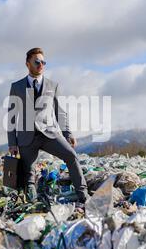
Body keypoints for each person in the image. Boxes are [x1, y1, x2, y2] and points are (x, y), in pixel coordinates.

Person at [7, 47, 89, 204]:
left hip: (49, 134)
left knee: (71, 156)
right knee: (29, 179)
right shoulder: (16, 87)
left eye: (43, 62)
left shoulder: (53, 85)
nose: (41, 64)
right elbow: (12, 116)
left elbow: (60, 112)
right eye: (37, 62)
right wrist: (12, 143)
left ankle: (83, 195)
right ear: (28, 64)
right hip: (26, 138)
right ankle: (33, 205)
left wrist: (68, 134)